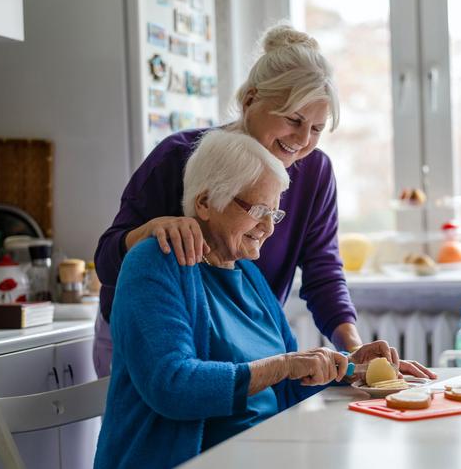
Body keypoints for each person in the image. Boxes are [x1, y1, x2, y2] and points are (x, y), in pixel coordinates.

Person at [93, 22, 435, 380]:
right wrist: (150, 230)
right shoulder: (178, 157)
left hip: (236, 346)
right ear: (249, 99)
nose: (303, 140)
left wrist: (352, 349)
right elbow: (106, 261)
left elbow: (323, 271)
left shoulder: (314, 172)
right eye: (293, 119)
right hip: (151, 342)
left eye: (317, 128)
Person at [94, 130, 404, 468]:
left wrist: (352, 366)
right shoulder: (155, 262)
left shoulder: (248, 274)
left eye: (275, 213)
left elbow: (288, 384)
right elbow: (172, 386)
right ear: (205, 202)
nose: (268, 228)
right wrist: (282, 365)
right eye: (257, 210)